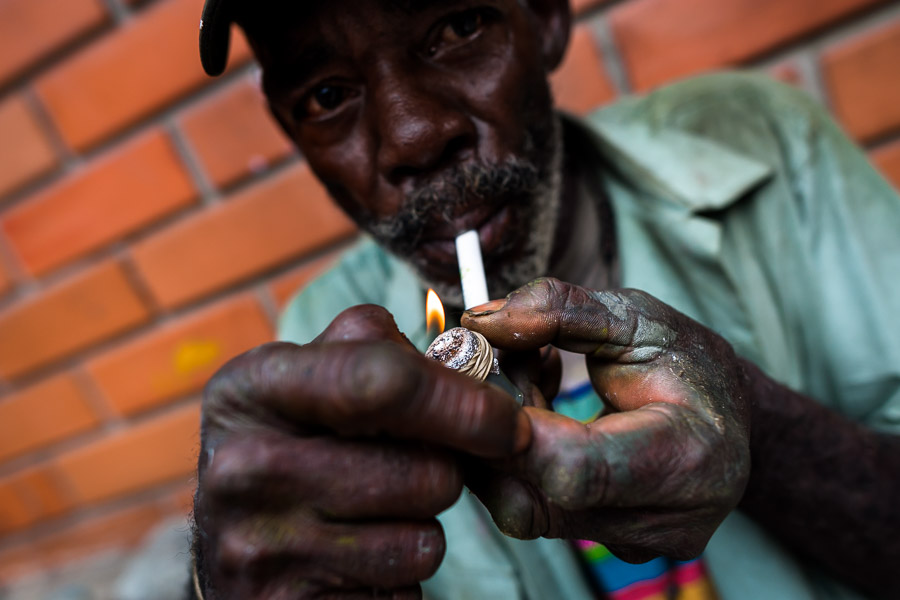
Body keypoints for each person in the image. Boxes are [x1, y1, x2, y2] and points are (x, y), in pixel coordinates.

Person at [189, 1, 900, 598]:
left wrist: (756, 428)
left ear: (548, 16)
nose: (412, 136)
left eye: (457, 28)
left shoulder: (767, 143)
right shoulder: (327, 338)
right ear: (292, 134)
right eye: (326, 96)